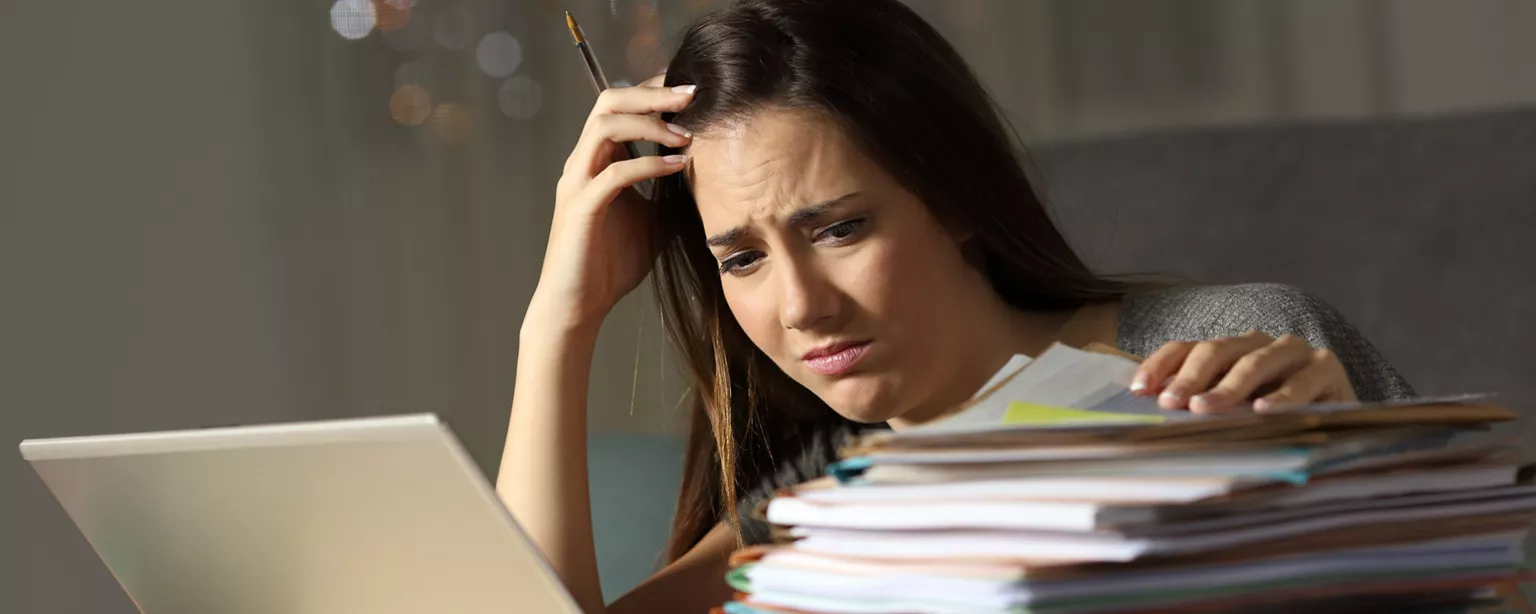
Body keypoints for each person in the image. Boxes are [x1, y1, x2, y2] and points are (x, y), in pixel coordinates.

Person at [496, 0, 1414, 612]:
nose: (802, 307)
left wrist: (1351, 483)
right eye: (741, 258)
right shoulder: (815, 511)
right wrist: (557, 325)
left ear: (957, 199)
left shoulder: (1231, 356)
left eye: (842, 229)